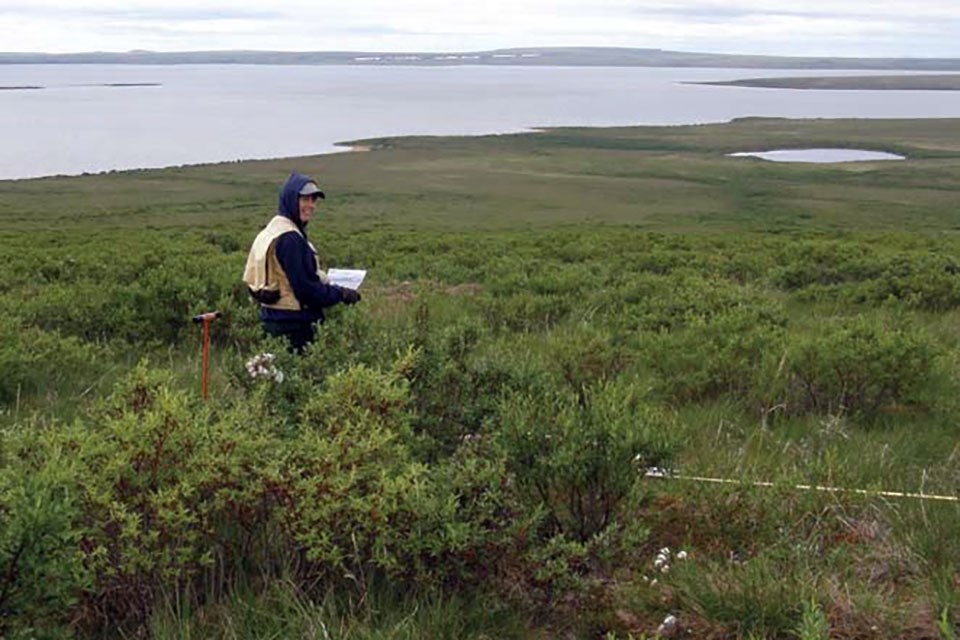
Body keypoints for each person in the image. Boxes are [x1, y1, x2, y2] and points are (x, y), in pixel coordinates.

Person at [243, 171, 361, 352]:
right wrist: (341, 294)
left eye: (313, 200)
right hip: (294, 326)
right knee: (302, 377)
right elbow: (307, 291)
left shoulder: (271, 230)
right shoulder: (290, 239)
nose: (311, 205)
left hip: (272, 320)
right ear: (291, 199)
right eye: (304, 199)